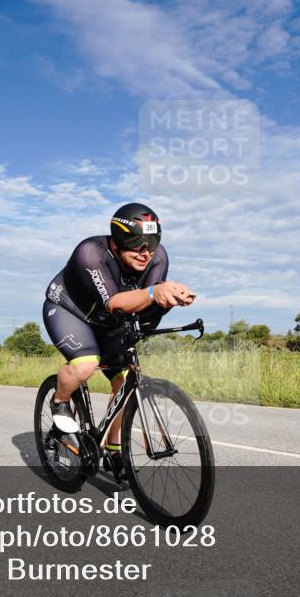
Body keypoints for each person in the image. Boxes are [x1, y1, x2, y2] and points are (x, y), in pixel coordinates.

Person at [42, 202, 195, 475]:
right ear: (115, 242)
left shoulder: (158, 258)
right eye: (136, 243)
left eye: (152, 242)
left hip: (108, 321)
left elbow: (143, 308)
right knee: (85, 364)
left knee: (124, 383)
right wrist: (153, 293)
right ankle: (60, 401)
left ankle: (114, 449)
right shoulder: (91, 252)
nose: (145, 252)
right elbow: (114, 302)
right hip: (70, 311)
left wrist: (168, 299)